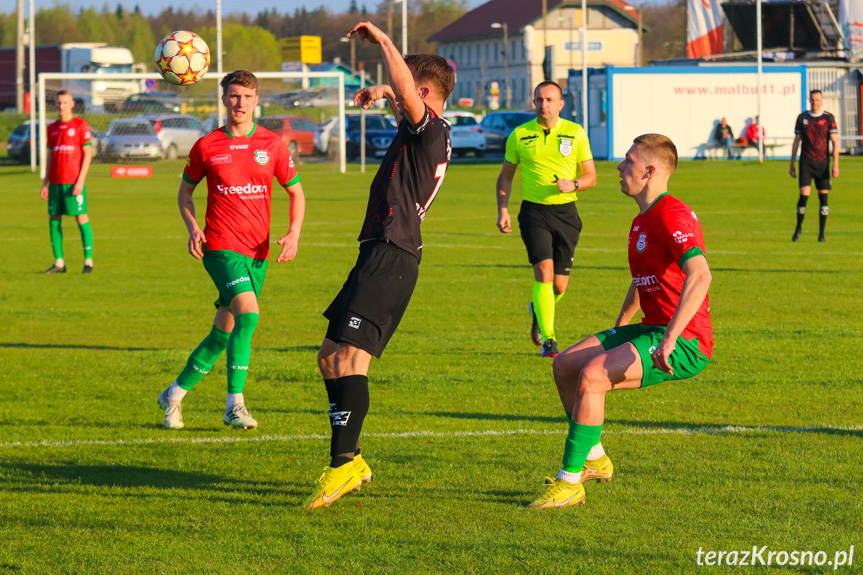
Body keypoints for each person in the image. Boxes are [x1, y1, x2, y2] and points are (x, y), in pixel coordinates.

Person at [305, 21, 455, 509]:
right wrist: (384, 88)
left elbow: (411, 97)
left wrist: (386, 43)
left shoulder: (430, 128)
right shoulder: (422, 131)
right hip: (379, 253)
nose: (398, 98)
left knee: (350, 359)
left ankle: (342, 465)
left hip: (392, 255)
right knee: (330, 356)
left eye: (407, 89)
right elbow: (405, 94)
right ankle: (353, 459)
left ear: (425, 92)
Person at [529, 133, 713, 509]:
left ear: (649, 170)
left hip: (685, 340)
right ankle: (594, 458)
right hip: (650, 328)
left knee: (593, 377)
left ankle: (570, 482)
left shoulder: (671, 214)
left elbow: (701, 275)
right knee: (565, 365)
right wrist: (621, 325)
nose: (618, 166)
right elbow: (644, 278)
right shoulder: (642, 219)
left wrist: (670, 339)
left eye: (627, 160)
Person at [156, 70, 306, 431]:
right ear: (223, 100)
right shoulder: (207, 146)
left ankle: (174, 395)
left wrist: (294, 232)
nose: (240, 103)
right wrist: (194, 228)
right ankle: (233, 405)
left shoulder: (272, 144)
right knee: (249, 317)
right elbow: (185, 192)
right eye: (234, 96)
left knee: (222, 333)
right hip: (220, 247)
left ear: (257, 101)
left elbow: (296, 192)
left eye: (247, 97)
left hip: (258, 252)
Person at [495, 81, 597, 358]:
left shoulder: (575, 133)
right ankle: (549, 341)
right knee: (544, 273)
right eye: (539, 99)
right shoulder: (519, 134)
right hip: (534, 212)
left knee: (560, 286)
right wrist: (503, 210)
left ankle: (537, 310)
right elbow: (506, 176)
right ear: (533, 102)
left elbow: (591, 176)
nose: (544, 105)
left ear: (561, 104)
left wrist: (573, 184)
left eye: (550, 99)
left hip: (566, 214)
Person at [40, 90, 94, 274]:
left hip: (73, 183)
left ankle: (88, 261)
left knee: (81, 218)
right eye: (58, 103)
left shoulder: (81, 125)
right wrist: (45, 182)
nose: (61, 106)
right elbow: (50, 156)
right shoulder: (52, 127)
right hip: (55, 182)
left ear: (71, 104)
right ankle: (59, 263)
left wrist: (80, 181)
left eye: (64, 102)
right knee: (54, 220)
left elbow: (87, 154)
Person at [790, 89, 839, 243]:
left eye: (817, 100)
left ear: (821, 100)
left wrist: (836, 164)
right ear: (809, 100)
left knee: (823, 197)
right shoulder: (802, 118)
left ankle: (821, 234)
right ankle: (798, 228)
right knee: (804, 195)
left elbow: (835, 142)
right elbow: (796, 141)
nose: (814, 102)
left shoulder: (828, 118)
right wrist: (792, 163)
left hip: (823, 163)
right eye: (812, 100)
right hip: (806, 162)